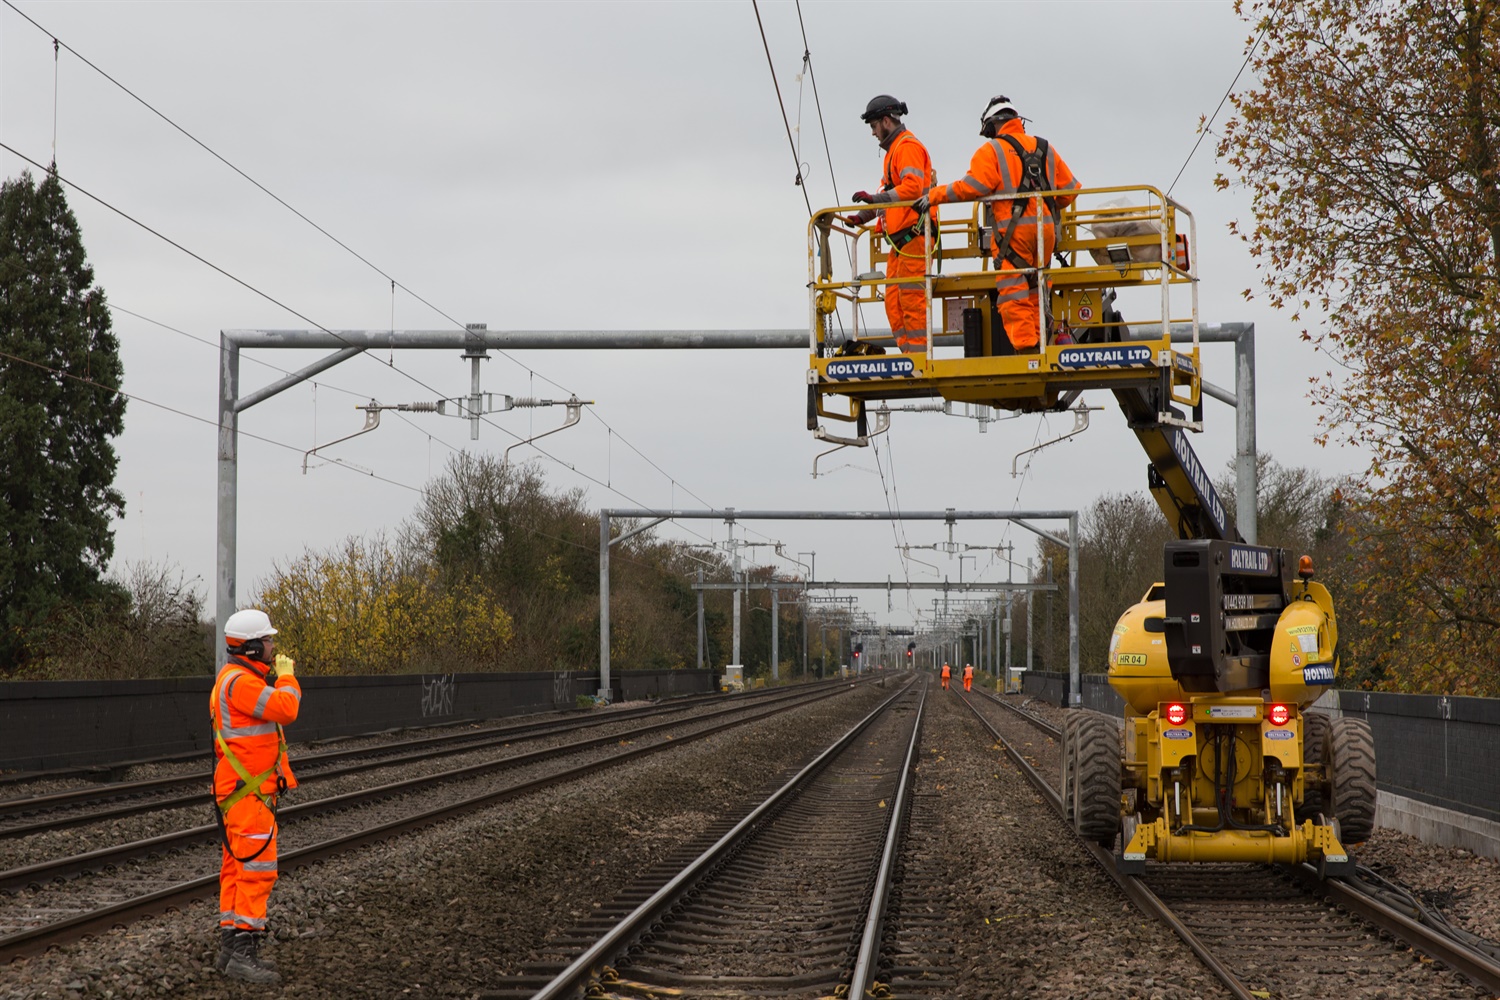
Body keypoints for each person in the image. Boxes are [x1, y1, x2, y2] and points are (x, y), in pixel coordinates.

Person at [914, 96, 1080, 352]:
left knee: (1013, 295)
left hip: (1013, 235)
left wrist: (933, 196)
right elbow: (1069, 192)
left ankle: (1027, 350)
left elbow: (973, 187)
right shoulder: (1045, 148)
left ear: (991, 126)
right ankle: (1041, 348)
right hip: (1044, 233)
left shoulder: (991, 151)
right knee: (1036, 291)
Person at [211, 609, 302, 983]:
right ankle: (243, 953)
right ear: (249, 647)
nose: (272, 646)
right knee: (256, 872)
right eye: (267, 641)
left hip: (240, 792)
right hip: (249, 795)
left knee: (237, 870)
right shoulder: (242, 684)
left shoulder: (232, 679)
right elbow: (287, 708)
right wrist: (287, 677)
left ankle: (231, 947)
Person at [842, 94, 936, 354]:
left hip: (914, 239)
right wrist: (863, 216)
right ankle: (910, 355)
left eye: (874, 126)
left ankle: (918, 360)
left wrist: (874, 199)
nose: (873, 133)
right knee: (894, 303)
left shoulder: (907, 147)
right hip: (901, 244)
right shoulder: (894, 152)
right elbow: (892, 195)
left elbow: (913, 189)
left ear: (885, 121)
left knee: (912, 302)